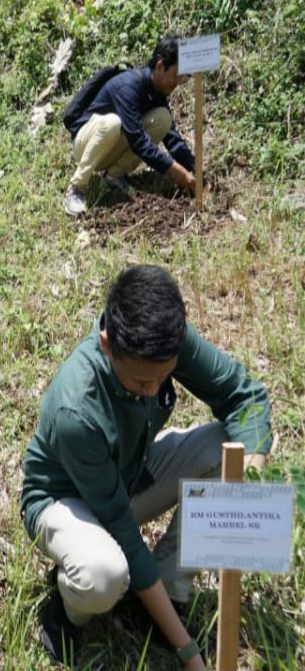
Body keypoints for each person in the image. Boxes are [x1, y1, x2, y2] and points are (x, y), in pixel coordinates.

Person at [20, 265, 272, 668]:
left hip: (130, 472)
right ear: (106, 343)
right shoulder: (77, 410)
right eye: (140, 384)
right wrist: (188, 652)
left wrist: (251, 484)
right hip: (65, 499)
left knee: (229, 450)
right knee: (104, 573)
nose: (154, 390)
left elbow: (247, 397)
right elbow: (122, 528)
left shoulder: (162, 339)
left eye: (163, 378)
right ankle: (66, 613)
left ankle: (165, 590)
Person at [63, 35, 196, 216]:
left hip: (110, 148)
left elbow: (171, 137)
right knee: (112, 122)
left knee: (163, 119)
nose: (177, 83)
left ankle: (113, 177)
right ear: (160, 66)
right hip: (86, 145)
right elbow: (138, 140)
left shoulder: (157, 94)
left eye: (181, 78)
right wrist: (176, 172)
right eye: (175, 75)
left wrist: (193, 167)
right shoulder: (128, 85)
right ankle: (76, 187)